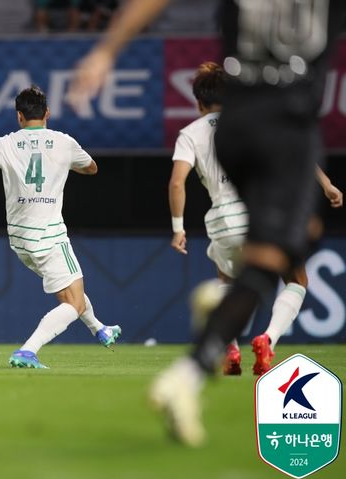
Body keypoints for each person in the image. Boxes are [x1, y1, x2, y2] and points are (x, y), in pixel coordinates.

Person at [68, 0, 346, 446]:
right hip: (287, 125)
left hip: (240, 132)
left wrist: (107, 50)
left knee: (267, 253)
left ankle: (215, 323)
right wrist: (327, 184)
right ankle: (212, 358)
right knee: (288, 252)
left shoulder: (196, 128)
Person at [169, 62, 344, 377]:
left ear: (198, 102)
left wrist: (178, 228)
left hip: (222, 220)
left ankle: (230, 349)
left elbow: (177, 182)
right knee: (296, 279)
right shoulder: (251, 122)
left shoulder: (190, 133)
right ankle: (268, 339)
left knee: (226, 281)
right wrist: (326, 183)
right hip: (261, 214)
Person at [0, 85, 121, 369]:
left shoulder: (4, 144)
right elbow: (91, 168)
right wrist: (64, 164)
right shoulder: (64, 142)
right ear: (47, 113)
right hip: (50, 235)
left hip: (20, 240)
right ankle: (28, 350)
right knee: (73, 302)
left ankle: (99, 328)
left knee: (67, 291)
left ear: (19, 116)